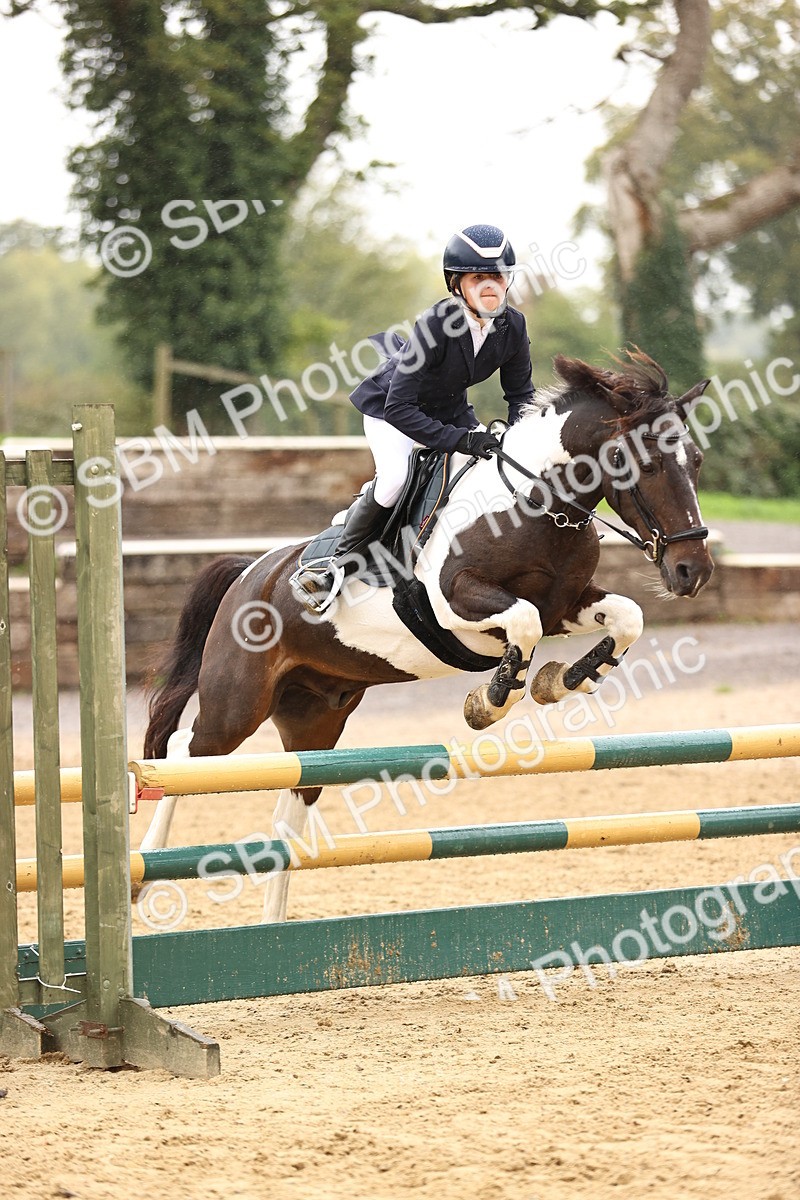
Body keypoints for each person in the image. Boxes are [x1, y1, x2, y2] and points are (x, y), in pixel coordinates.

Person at [291, 223, 535, 614]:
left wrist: (517, 438)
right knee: (394, 480)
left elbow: (520, 394)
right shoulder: (436, 324)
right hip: (393, 411)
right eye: (478, 278)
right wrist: (461, 440)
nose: (491, 286)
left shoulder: (513, 326)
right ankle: (334, 565)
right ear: (457, 284)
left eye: (498, 276)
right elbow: (399, 407)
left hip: (450, 411)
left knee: (492, 470)